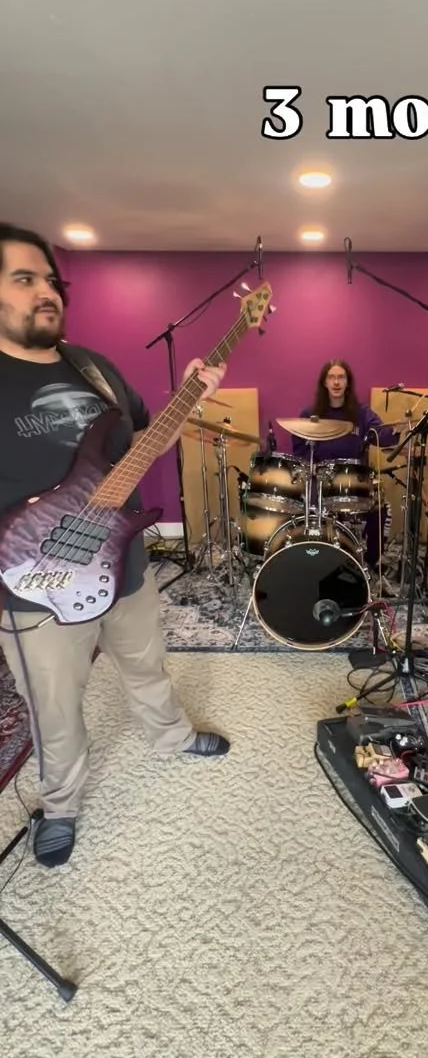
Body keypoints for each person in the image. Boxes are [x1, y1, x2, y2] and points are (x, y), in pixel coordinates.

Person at [0, 222, 230, 868]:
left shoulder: (93, 367)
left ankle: (170, 736)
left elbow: (144, 440)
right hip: (35, 582)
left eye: (51, 279)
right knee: (54, 707)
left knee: (146, 663)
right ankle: (61, 804)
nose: (46, 291)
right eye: (24, 278)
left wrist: (191, 397)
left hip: (121, 561)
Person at [290, 359, 399, 570]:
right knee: (313, 509)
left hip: (354, 480)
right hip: (320, 480)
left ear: (347, 382)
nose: (336, 382)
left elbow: (381, 435)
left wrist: (398, 432)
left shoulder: (361, 414)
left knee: (380, 507)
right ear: (324, 382)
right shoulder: (310, 415)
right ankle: (321, 557)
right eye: (331, 377)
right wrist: (311, 468)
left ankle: (370, 561)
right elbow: (300, 450)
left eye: (341, 377)